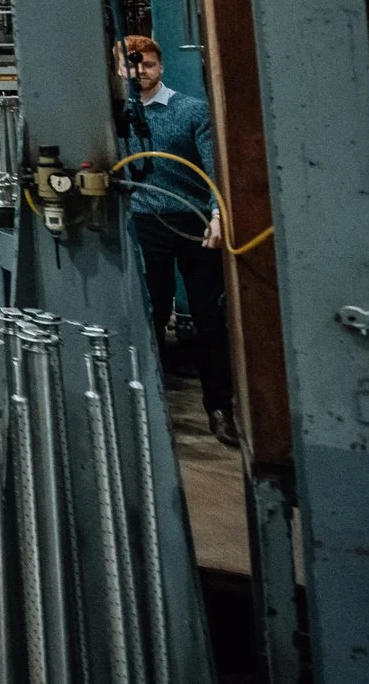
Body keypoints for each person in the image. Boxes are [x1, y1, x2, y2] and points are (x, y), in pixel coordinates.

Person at [117, 34, 237, 446]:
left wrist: (218, 215)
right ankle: (149, 407)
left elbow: (215, 167)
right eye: (130, 65)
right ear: (119, 69)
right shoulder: (117, 116)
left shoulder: (191, 112)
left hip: (195, 224)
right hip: (145, 223)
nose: (139, 72)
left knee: (209, 317)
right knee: (151, 312)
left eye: (146, 64)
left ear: (161, 66)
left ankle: (220, 408)